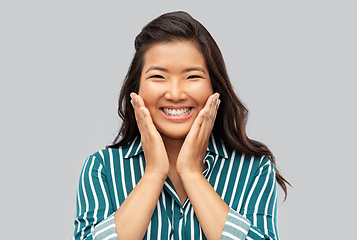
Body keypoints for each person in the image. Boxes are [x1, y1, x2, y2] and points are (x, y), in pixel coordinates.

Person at [72, 11, 289, 240]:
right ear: (136, 90)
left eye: (192, 76)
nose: (175, 94)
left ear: (215, 87)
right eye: (158, 76)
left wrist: (193, 174)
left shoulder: (253, 170)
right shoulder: (102, 168)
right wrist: (154, 173)